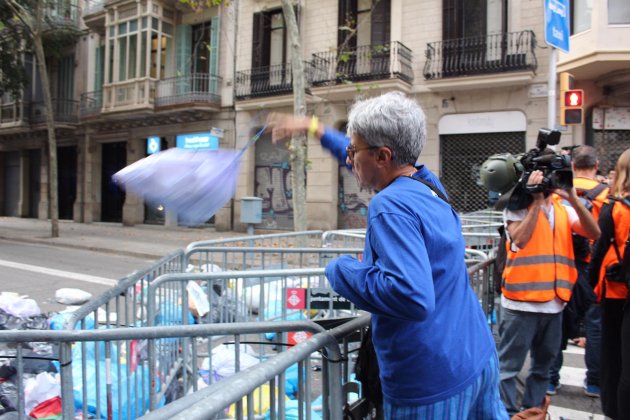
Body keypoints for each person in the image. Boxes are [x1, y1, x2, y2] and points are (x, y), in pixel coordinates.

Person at [268, 92, 508, 419]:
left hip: (430, 382)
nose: (349, 159)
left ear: (382, 156)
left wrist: (341, 271)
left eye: (354, 152)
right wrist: (314, 128)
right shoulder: (427, 183)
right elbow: (362, 156)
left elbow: (410, 295)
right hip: (476, 358)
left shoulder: (389, 206)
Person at [497, 163, 600, 416]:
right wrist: (535, 201)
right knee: (509, 368)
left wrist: (574, 199)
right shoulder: (517, 205)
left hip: (555, 302)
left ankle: (534, 412)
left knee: (543, 368)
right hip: (521, 302)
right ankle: (508, 413)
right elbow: (519, 239)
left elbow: (594, 232)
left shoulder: (562, 208)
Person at [548, 145, 608, 398]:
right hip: (594, 267)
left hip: (561, 264)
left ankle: (551, 379)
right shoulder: (606, 194)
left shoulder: (558, 192)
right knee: (595, 324)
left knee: (557, 322)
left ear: (573, 166)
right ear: (596, 166)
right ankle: (594, 381)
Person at [588, 148, 630, 420]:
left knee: (614, 354)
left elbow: (601, 247)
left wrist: (593, 283)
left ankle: (614, 409)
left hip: (615, 289)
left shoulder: (614, 207)